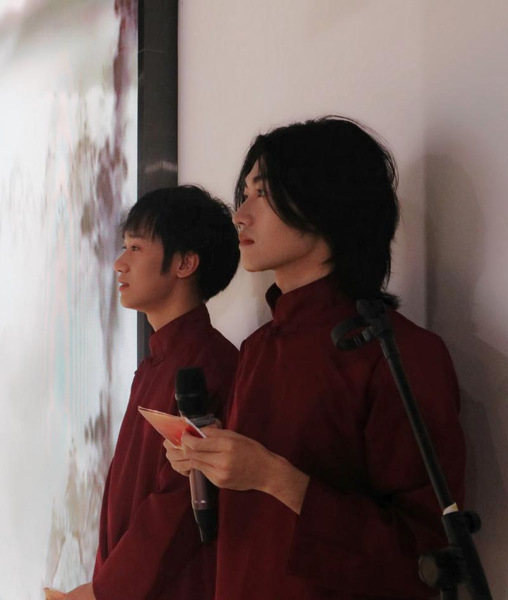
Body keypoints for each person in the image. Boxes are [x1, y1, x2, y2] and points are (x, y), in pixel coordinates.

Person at [165, 116, 466, 598]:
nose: (240, 214)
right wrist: (213, 462)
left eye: (262, 194)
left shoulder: (399, 353)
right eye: (244, 194)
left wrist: (274, 477)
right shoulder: (257, 348)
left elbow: (425, 553)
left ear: (326, 201)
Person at [63, 185, 240, 600]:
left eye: (135, 248)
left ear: (185, 263)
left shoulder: (208, 365)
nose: (119, 263)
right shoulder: (158, 362)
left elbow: (178, 508)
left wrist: (105, 590)